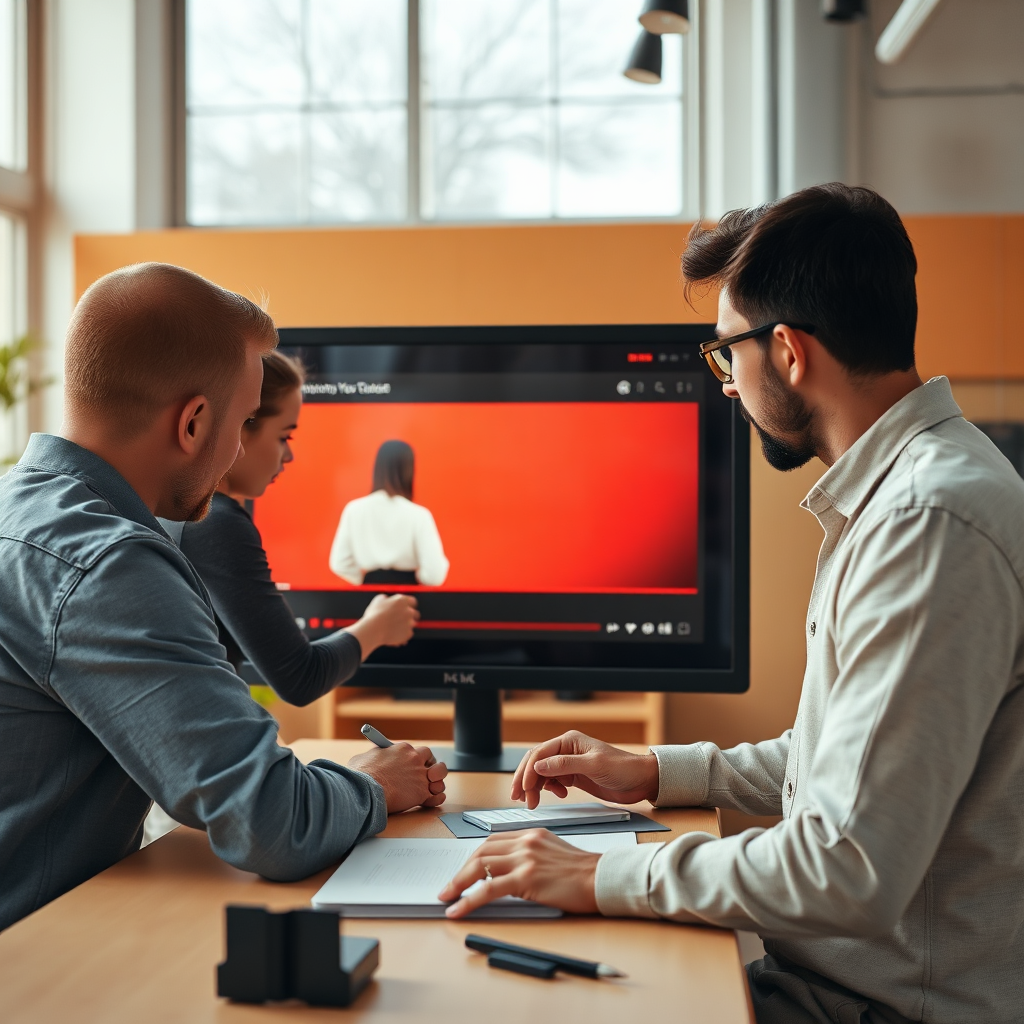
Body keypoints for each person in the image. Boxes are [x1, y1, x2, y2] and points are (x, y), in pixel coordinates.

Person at [438, 185, 1024, 1024]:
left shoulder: (927, 525)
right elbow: (848, 766)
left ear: (787, 352)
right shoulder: (909, 497)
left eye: (725, 353)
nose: (725, 385)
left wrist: (600, 874)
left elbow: (847, 866)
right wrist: (659, 772)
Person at [0, 263, 446, 932]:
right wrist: (375, 782)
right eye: (242, 423)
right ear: (193, 423)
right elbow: (273, 821)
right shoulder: (108, 564)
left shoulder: (18, 511)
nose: (238, 447)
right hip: (34, 955)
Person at [166, 351, 419, 707]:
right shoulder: (214, 522)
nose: (289, 456)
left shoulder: (175, 509)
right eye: (284, 437)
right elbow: (300, 677)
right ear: (240, 427)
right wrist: (377, 627)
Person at [329, 439, 449, 586]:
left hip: (369, 594)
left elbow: (339, 563)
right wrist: (415, 580)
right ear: (409, 470)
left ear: (377, 468)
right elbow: (435, 575)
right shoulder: (419, 515)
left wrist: (365, 581)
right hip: (407, 595)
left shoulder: (354, 510)